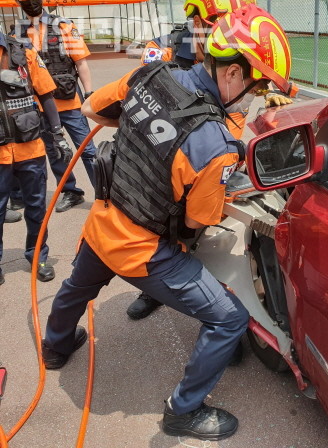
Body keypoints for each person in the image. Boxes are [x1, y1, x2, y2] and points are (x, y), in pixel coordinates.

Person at [41, 5, 294, 440]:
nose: (254, 97)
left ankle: (56, 348)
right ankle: (182, 411)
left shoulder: (148, 75)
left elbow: (92, 108)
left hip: (102, 225)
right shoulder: (215, 144)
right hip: (145, 251)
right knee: (229, 320)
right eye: (257, 86)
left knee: (75, 290)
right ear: (233, 74)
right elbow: (200, 219)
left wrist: (147, 133)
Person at [128, 0, 295, 321]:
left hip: (222, 155)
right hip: (178, 164)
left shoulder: (243, 43)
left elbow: (266, 68)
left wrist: (273, 95)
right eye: (210, 24)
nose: (218, 32)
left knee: (211, 233)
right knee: (173, 231)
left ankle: (216, 305)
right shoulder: (170, 53)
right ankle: (157, 290)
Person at [0, 32, 71, 286]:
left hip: (31, 149)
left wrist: (58, 134)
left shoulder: (24, 53)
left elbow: (46, 95)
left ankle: (38, 255)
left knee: (36, 208)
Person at [15, 0, 97, 213]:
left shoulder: (64, 26)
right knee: (55, 152)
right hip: (40, 106)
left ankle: (104, 191)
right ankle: (71, 192)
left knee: (87, 149)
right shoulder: (18, 32)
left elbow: (81, 63)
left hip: (70, 102)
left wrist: (89, 95)